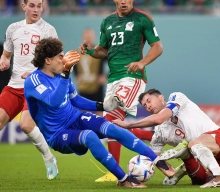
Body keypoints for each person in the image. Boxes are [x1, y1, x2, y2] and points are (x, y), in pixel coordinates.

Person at [24, 37, 175, 188]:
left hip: (76, 118)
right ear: (48, 60)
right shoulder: (34, 80)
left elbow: (75, 100)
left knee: (113, 128)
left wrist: (104, 106)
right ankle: (123, 180)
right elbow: (54, 102)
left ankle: (157, 161)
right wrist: (65, 73)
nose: (64, 60)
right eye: (60, 57)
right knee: (89, 136)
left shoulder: (62, 75)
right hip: (57, 134)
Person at [79, 0, 163, 182]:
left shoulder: (143, 19)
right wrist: (90, 51)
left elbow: (158, 47)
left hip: (132, 78)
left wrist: (142, 63)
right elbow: (102, 51)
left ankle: (114, 171)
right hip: (113, 79)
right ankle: (159, 137)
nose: (123, 1)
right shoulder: (107, 22)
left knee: (108, 122)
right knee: (112, 128)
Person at [113, 88, 220, 188]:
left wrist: (128, 126)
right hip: (210, 158)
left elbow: (158, 118)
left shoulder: (177, 97)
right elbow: (154, 158)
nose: (148, 106)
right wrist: (135, 176)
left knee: (192, 144)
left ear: (161, 97)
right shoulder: (159, 133)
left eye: (149, 101)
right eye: (145, 106)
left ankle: (218, 176)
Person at [0, 0, 59, 180]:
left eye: (39, 6)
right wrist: (4, 60)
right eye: (32, 5)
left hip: (36, 86)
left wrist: (36, 73)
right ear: (23, 6)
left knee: (25, 125)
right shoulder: (12, 29)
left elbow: (58, 63)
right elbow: (6, 54)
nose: (36, 9)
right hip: (14, 85)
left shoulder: (48, 30)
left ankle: (49, 158)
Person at [73, 28, 107, 103]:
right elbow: (73, 65)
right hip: (83, 87)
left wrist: (106, 76)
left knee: (99, 109)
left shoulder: (99, 52)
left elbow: (112, 63)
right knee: (83, 109)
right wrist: (76, 75)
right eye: (86, 37)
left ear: (94, 37)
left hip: (97, 87)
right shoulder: (77, 53)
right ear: (83, 38)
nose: (88, 39)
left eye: (90, 37)